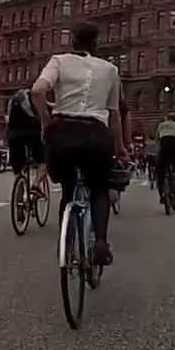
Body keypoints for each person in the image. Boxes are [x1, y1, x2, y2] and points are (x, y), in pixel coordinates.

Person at [32, 22, 125, 266]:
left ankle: (69, 242)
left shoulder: (59, 61)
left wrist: (46, 122)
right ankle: (101, 242)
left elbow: (38, 91)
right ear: (96, 43)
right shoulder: (110, 70)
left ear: (72, 41)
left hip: (63, 133)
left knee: (68, 186)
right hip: (96, 134)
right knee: (99, 188)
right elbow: (114, 114)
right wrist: (120, 147)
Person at [6, 87, 46, 189]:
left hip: (13, 135)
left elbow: (8, 119)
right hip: (32, 134)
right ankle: (36, 185)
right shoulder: (35, 98)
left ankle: (19, 190)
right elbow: (42, 118)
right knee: (43, 162)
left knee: (18, 170)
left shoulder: (13, 100)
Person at [154, 113, 175, 200]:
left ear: (166, 118)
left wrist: (158, 149)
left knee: (160, 167)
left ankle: (161, 187)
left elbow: (157, 138)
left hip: (164, 145)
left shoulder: (161, 124)